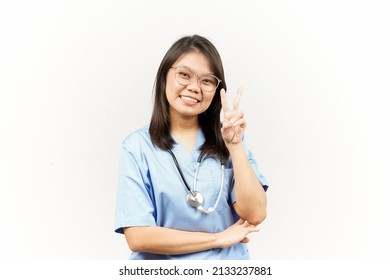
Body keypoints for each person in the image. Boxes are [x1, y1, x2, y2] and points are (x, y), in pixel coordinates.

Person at [115, 34, 269, 260]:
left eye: (207, 80)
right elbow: (138, 237)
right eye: (184, 75)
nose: (194, 87)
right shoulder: (137, 147)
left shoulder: (229, 139)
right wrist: (217, 239)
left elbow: (255, 213)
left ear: (216, 90)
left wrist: (235, 146)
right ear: (164, 76)